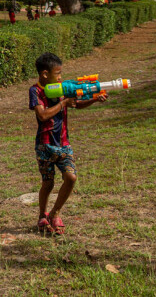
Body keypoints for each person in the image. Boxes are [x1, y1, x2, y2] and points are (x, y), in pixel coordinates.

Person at [29, 52, 105, 236]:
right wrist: (63, 104)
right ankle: (42, 215)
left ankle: (55, 213)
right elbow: (42, 115)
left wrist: (94, 99)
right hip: (45, 144)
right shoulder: (35, 91)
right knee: (47, 183)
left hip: (63, 143)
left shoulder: (62, 87)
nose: (60, 77)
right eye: (58, 73)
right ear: (45, 74)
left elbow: (76, 104)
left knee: (71, 177)